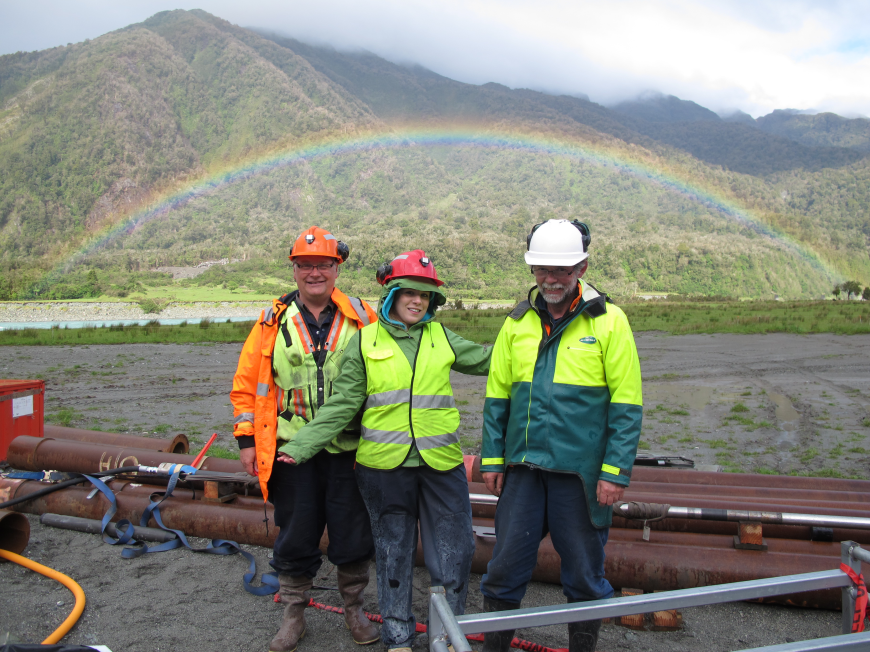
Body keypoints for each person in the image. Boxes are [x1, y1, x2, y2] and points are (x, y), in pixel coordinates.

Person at [277, 250, 491, 652]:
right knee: (393, 553)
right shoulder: (365, 341)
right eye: (408, 292)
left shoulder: (441, 337)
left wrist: (536, 344)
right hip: (383, 470)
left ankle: (448, 636)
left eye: (425, 296)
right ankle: (397, 637)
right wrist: (303, 444)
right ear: (391, 295)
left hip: (440, 466)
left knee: (455, 552)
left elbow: (491, 362)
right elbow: (342, 403)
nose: (416, 301)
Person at [479, 220, 643, 652]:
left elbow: (627, 405)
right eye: (542, 270)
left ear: (582, 267)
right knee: (504, 569)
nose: (551, 279)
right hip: (523, 472)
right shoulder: (515, 324)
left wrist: (614, 472)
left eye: (561, 270)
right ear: (532, 270)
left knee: (585, 574)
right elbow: (497, 398)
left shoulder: (609, 321)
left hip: (581, 476)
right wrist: (493, 460)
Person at [230, 225, 380, 652]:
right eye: (305, 265)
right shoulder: (271, 322)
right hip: (292, 450)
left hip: (349, 449)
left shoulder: (364, 317)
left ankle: (354, 609)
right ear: (294, 269)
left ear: (338, 268)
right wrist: (246, 442)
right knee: (295, 533)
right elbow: (245, 388)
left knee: (353, 534)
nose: (315, 272)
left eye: (324, 265)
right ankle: (294, 614)